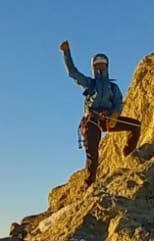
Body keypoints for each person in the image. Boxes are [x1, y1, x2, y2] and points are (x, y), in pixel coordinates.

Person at [60, 40, 141, 183]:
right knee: (92, 153)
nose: (100, 66)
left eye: (103, 63)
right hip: (91, 121)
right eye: (97, 64)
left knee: (135, 125)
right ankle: (89, 184)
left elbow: (118, 102)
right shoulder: (89, 84)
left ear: (107, 65)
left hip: (108, 119)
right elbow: (73, 73)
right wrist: (66, 53)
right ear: (93, 66)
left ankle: (128, 154)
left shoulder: (112, 87)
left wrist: (115, 115)